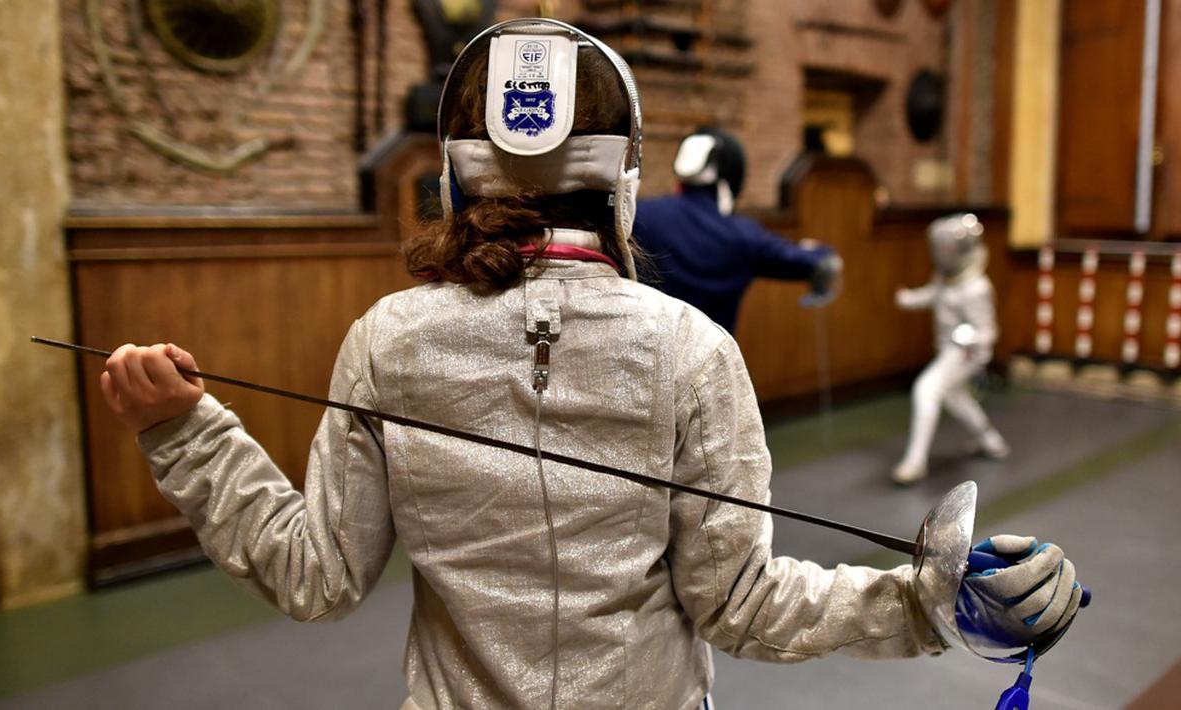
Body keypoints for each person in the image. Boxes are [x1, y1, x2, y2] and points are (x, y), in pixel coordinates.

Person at [99, 20, 1080, 709]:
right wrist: (922, 595)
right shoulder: (693, 348)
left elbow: (314, 574)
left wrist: (186, 433)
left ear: (452, 173)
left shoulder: (388, 337)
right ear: (623, 181)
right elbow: (737, 602)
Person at [632, 127, 843, 333]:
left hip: (644, 357)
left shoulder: (639, 215)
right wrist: (815, 251)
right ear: (732, 177)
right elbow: (822, 264)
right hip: (712, 363)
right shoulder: (742, 236)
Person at [892, 213, 1011, 485]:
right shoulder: (946, 277)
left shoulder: (977, 287)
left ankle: (915, 461)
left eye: (945, 248)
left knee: (926, 389)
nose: (941, 254)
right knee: (956, 397)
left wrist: (966, 339)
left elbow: (987, 332)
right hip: (949, 351)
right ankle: (992, 442)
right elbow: (933, 295)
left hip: (966, 353)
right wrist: (906, 299)